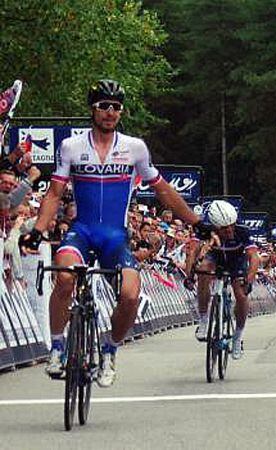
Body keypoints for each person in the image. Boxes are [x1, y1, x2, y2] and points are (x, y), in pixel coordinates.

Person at [20, 79, 210, 387]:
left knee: (130, 295)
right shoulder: (71, 146)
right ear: (93, 110)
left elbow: (162, 190)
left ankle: (110, 350)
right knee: (65, 277)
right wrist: (39, 230)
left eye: (116, 107)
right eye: (104, 106)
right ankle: (57, 346)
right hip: (82, 232)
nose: (110, 112)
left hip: (115, 237)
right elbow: (55, 193)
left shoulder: (135, 148)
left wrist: (195, 221)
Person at [185, 200, 259, 360]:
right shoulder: (205, 229)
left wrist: (249, 279)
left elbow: (254, 257)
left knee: (241, 294)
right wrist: (189, 274)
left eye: (232, 225)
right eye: (224, 228)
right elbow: (193, 252)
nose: (230, 230)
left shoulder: (242, 231)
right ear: (214, 226)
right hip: (216, 257)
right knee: (203, 271)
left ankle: (238, 336)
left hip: (236, 259)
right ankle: (204, 319)